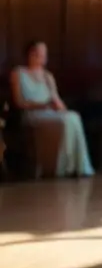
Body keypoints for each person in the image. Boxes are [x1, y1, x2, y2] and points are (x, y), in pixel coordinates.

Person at [8, 40, 94, 178]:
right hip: (32, 114)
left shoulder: (48, 76)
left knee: (73, 117)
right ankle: (60, 168)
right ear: (31, 54)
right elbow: (19, 102)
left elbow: (56, 99)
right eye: (41, 53)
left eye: (45, 53)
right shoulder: (18, 73)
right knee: (65, 121)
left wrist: (61, 108)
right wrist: (42, 105)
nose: (44, 57)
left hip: (49, 112)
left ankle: (75, 166)